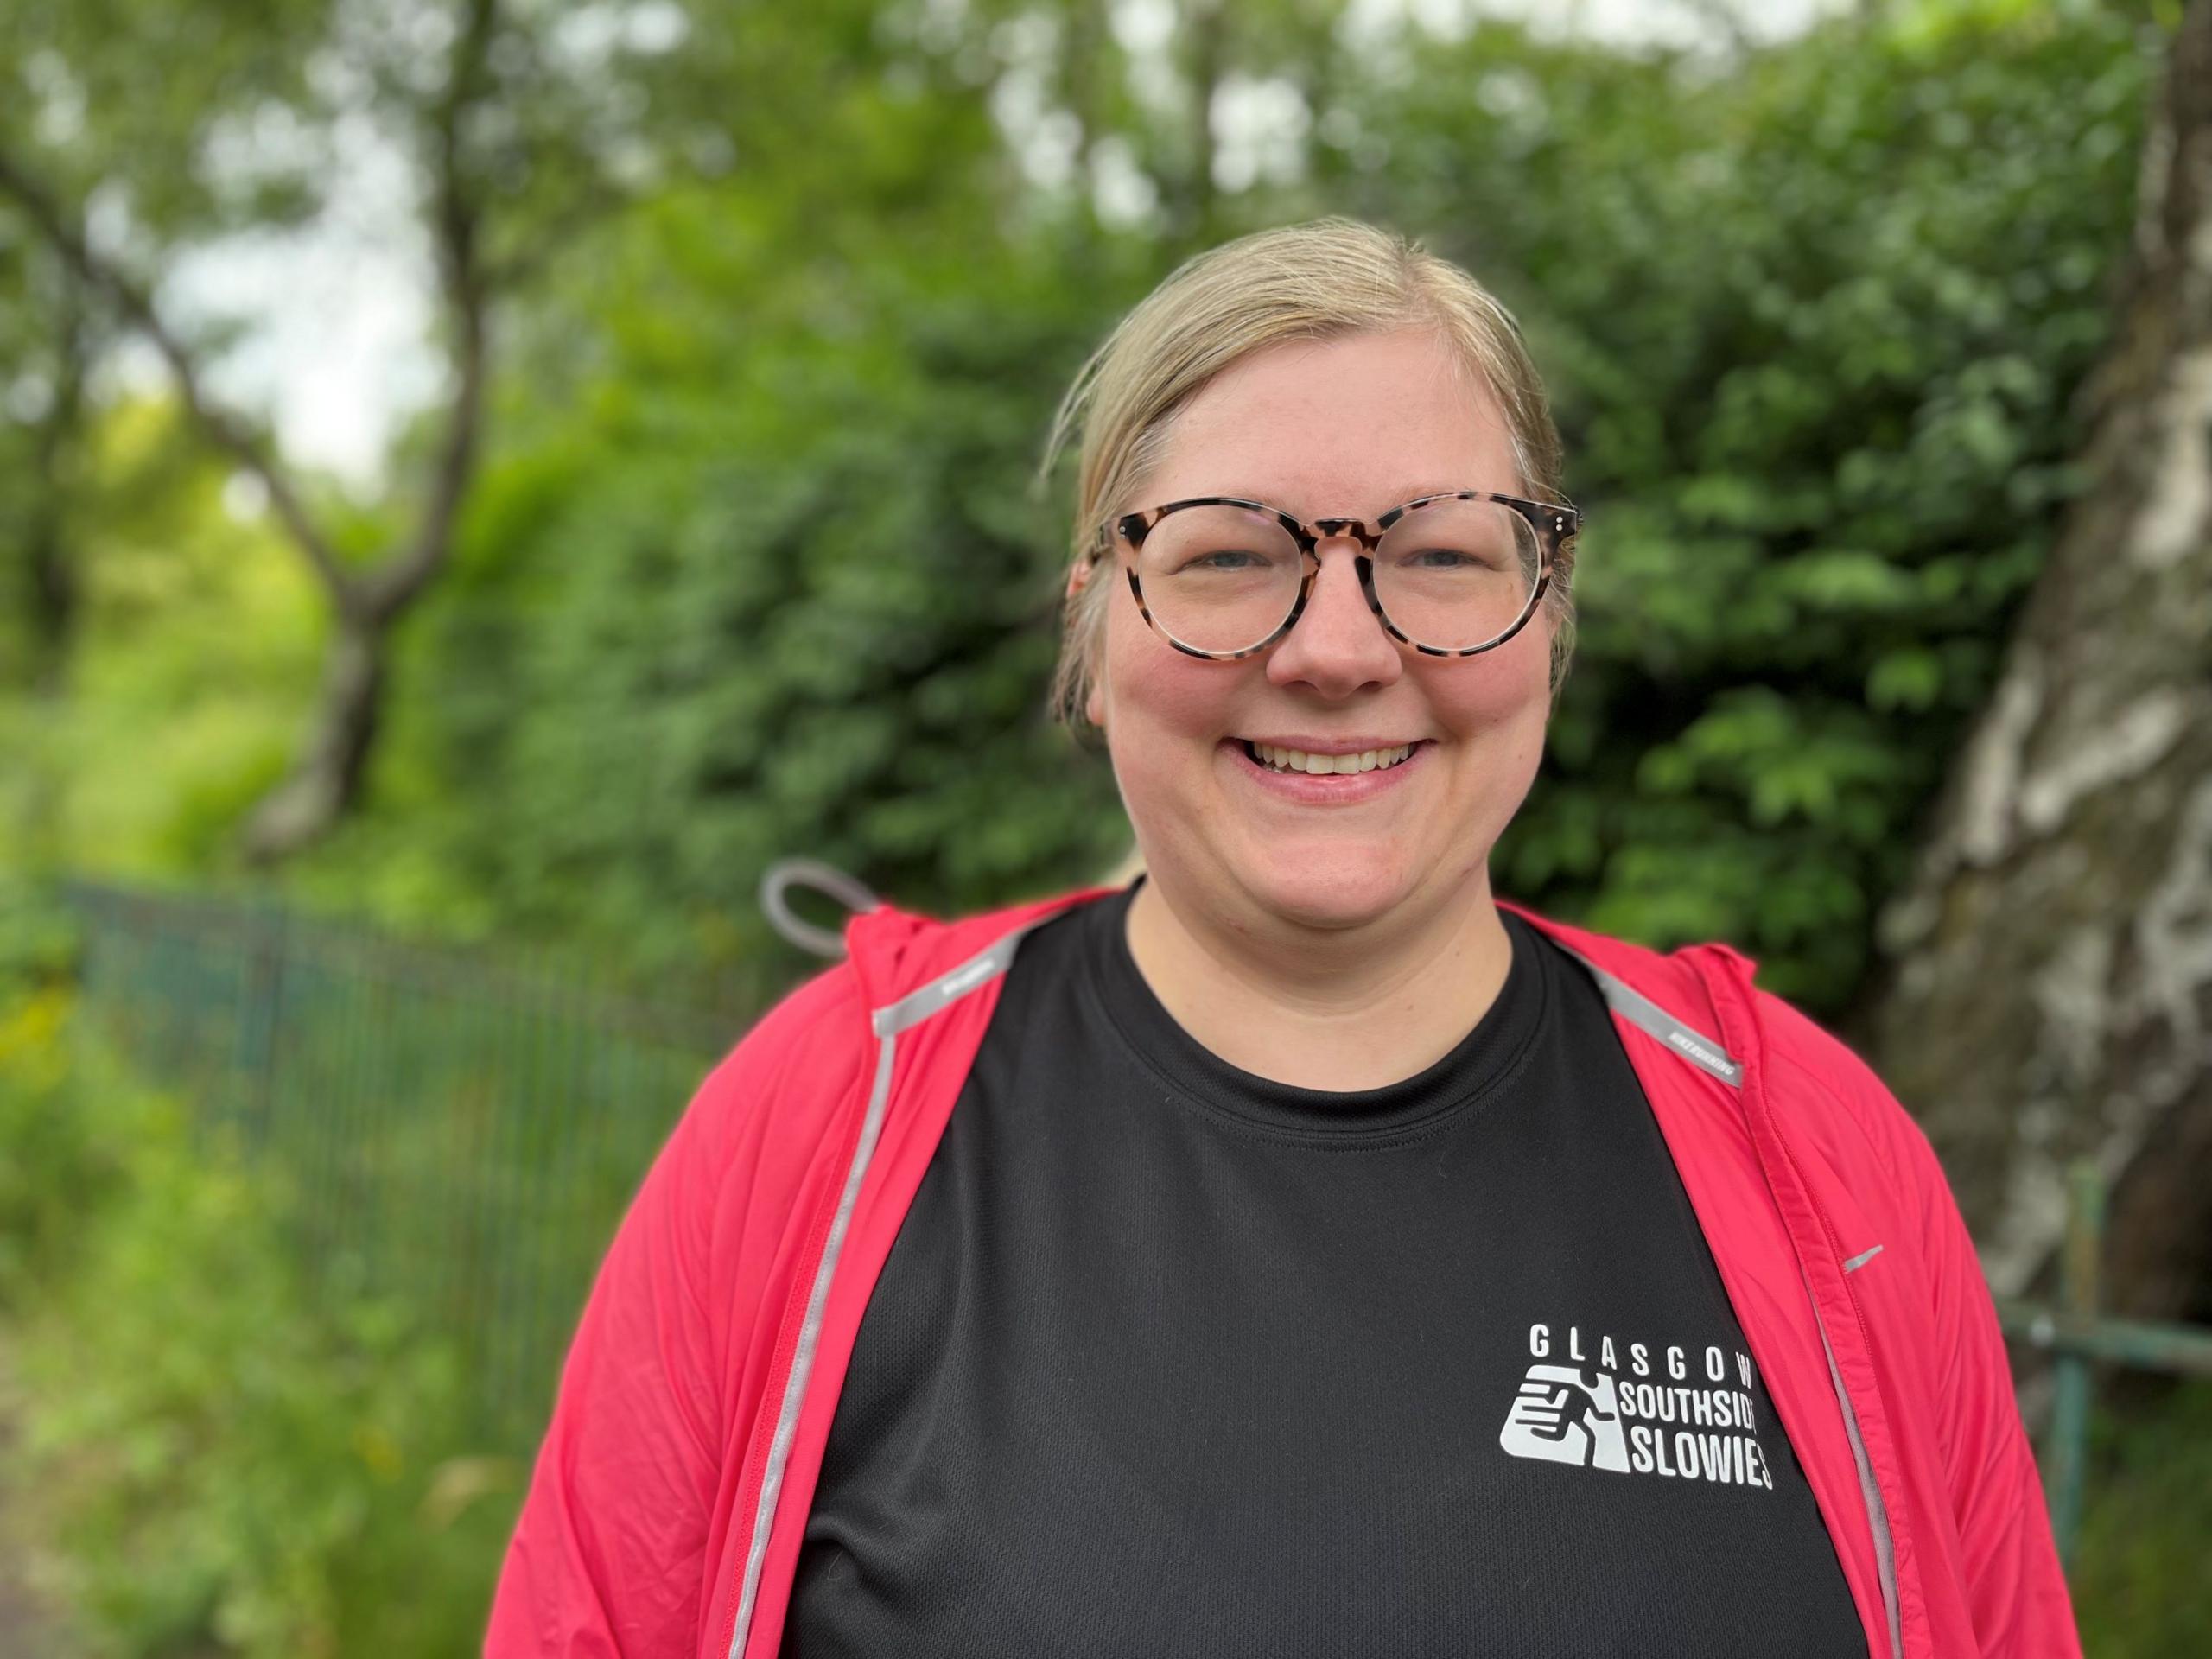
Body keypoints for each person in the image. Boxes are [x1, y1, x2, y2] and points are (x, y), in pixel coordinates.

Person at [485, 219, 2079, 1658]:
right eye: (1230, 556)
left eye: (1442, 553)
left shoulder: (1812, 1148)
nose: (1337, 650)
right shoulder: (822, 1123)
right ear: (1093, 633)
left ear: (1549, 620)